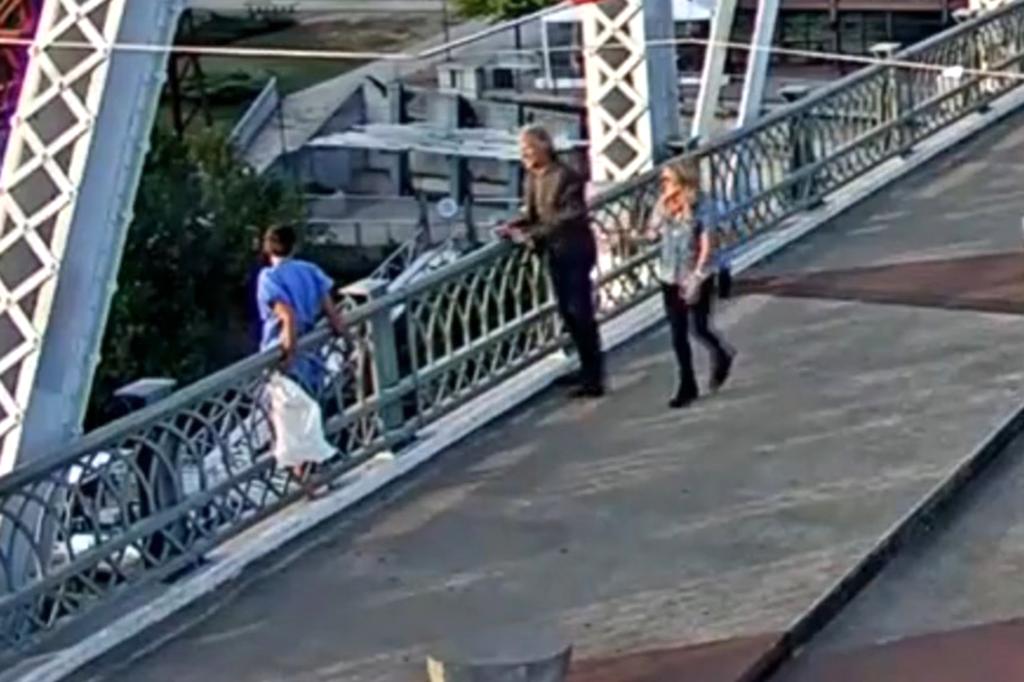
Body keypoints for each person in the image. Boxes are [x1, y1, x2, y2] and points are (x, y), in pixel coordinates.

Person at [498, 125, 605, 398]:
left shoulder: (565, 176)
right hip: (555, 252)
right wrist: (514, 225)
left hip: (575, 250)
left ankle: (594, 376)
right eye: (522, 149)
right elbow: (533, 212)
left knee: (580, 311)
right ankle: (584, 366)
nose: (524, 154)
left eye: (529, 148)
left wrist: (533, 233)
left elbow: (570, 214)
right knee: (567, 312)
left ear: (545, 146)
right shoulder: (532, 176)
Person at [256, 224, 348, 479]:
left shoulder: (269, 278)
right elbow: (331, 311)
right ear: (294, 246)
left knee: (285, 416)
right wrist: (346, 336)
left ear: (267, 248)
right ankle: (317, 468)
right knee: (310, 409)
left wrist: (288, 352)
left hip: (284, 351)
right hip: (313, 350)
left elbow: (287, 316)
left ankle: (299, 477)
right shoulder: (309, 270)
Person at [652, 160, 734, 409]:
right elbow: (652, 234)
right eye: (662, 181)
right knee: (677, 333)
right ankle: (687, 384)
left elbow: (708, 244)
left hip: (695, 273)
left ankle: (721, 353)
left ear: (683, 181)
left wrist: (698, 276)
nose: (663, 185)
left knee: (698, 327)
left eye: (668, 180)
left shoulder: (703, 205)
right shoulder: (663, 204)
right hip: (669, 273)